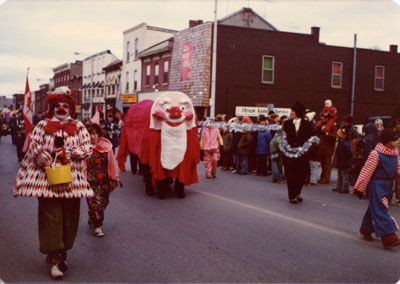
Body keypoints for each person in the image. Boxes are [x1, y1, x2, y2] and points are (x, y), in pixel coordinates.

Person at [13, 86, 94, 279]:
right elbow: (34, 148)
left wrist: (71, 153)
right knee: (51, 217)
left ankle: (62, 252)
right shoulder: (42, 125)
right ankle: (54, 258)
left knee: (70, 218)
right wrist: (49, 160)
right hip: (47, 180)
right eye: (57, 105)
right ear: (52, 107)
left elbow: (88, 148)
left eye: (65, 105)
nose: (61, 108)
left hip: (72, 180)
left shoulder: (79, 126)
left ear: (70, 107)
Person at [354, 129, 400, 249]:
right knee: (381, 209)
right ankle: (389, 236)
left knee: (375, 207)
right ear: (385, 141)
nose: (395, 143)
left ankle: (365, 229)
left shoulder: (395, 153)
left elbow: (398, 168)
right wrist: (359, 188)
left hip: (389, 185)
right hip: (377, 184)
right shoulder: (375, 153)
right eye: (392, 141)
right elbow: (366, 171)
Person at [83, 123, 120, 237]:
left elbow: (112, 163)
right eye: (89, 134)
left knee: (103, 202)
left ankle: (92, 217)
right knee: (95, 203)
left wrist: (114, 178)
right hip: (90, 181)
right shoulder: (84, 149)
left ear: (98, 134)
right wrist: (83, 181)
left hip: (104, 181)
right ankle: (98, 226)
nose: (92, 137)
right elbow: (83, 166)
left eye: (94, 133)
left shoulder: (106, 147)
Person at [282, 102, 313, 204]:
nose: (291, 113)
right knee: (290, 174)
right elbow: (282, 137)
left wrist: (307, 147)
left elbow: (311, 138)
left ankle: (298, 191)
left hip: (302, 153)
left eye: (293, 111)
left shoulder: (307, 124)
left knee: (301, 174)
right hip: (289, 153)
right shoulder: (287, 124)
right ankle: (292, 196)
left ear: (298, 112)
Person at [316, 112, 338, 184]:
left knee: (327, 165)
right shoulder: (322, 124)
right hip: (322, 148)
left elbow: (335, 136)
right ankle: (323, 177)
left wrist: (327, 133)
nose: (322, 119)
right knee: (323, 164)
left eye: (323, 118)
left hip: (328, 148)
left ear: (327, 118)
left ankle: (326, 179)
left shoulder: (332, 126)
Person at [332, 128, 352, 193]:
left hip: (344, 162)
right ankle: (339, 187)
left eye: (338, 135)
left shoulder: (345, 144)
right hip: (341, 161)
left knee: (344, 175)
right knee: (340, 175)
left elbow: (349, 154)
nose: (337, 136)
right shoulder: (341, 143)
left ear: (341, 136)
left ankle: (345, 188)